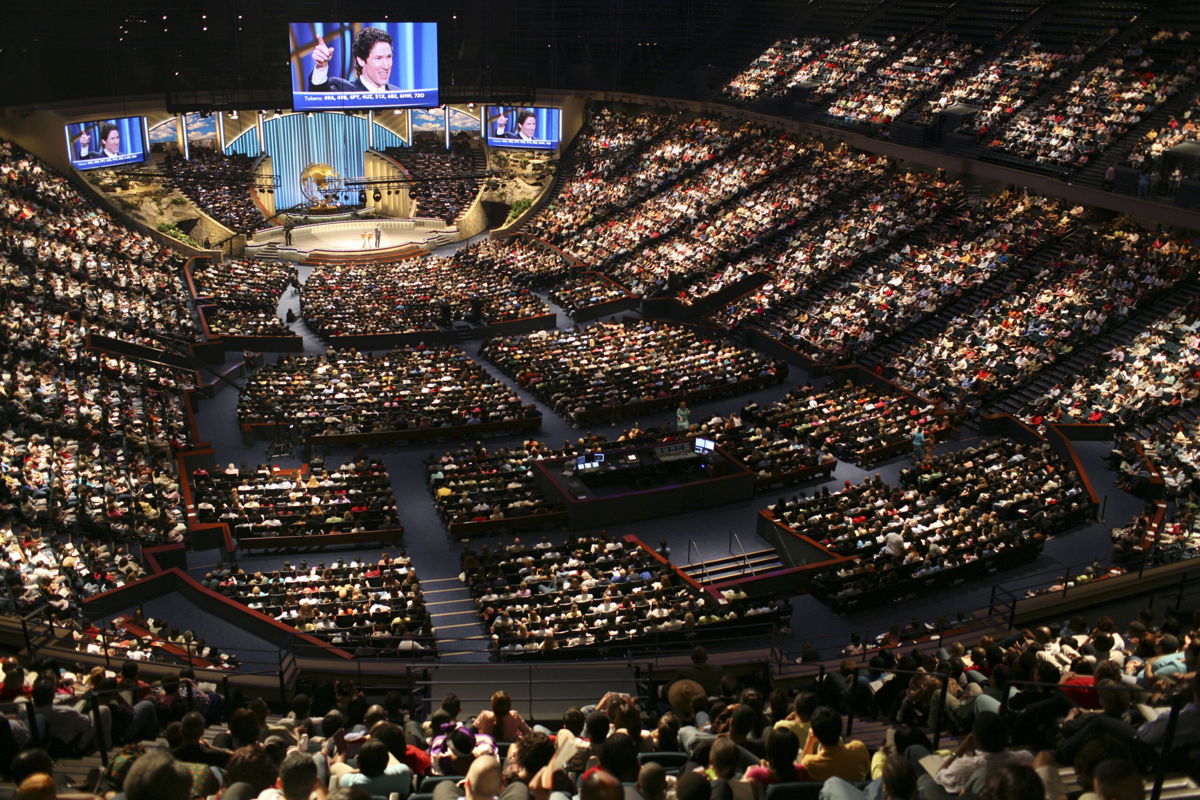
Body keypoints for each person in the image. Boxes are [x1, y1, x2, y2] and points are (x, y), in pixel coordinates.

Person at [308, 27, 399, 92]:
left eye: (388, 57)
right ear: (361, 60)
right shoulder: (343, 91)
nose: (386, 66)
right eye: (378, 58)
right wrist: (321, 67)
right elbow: (320, 97)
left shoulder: (399, 94)